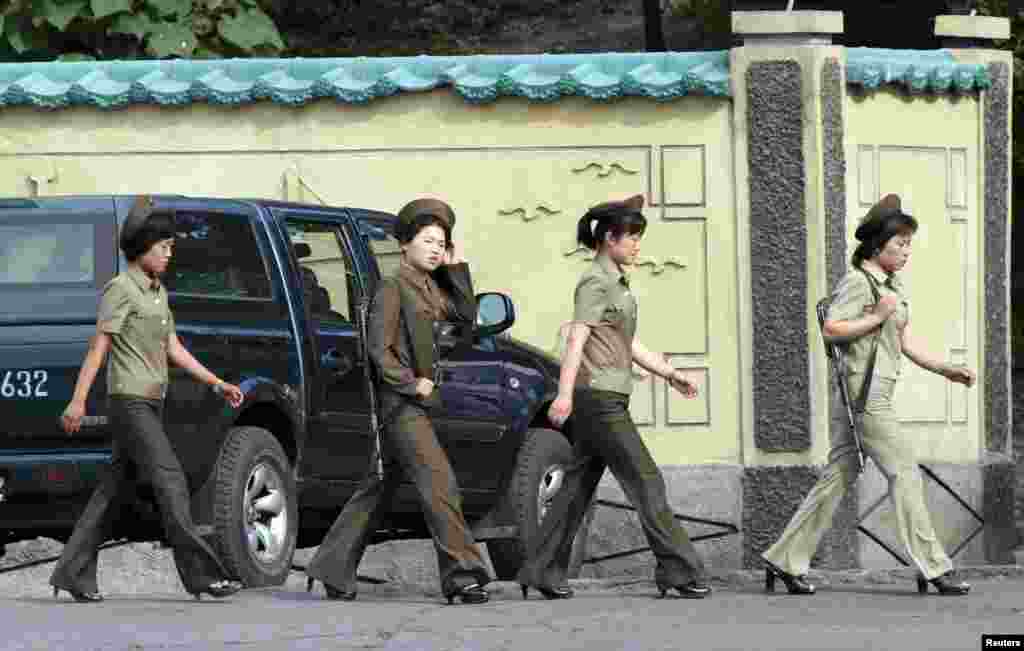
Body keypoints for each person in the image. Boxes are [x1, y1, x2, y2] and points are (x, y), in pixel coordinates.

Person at [760, 194, 976, 596]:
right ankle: (933, 567)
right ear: (878, 247)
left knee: (836, 477)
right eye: (900, 244)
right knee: (905, 472)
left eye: (909, 244)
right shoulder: (859, 283)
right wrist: (875, 315)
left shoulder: (889, 285)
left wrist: (945, 369)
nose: (907, 251)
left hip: (863, 396)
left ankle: (783, 558)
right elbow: (832, 329)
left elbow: (903, 340)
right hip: (866, 398)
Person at [51, 195, 246, 603]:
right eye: (164, 248)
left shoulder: (159, 293)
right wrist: (78, 401)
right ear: (143, 249)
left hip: (151, 402)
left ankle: (72, 573)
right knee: (170, 479)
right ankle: (204, 575)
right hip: (128, 402)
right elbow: (97, 349)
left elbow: (173, 347)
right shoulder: (121, 290)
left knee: (112, 491)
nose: (170, 254)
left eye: (171, 247)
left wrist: (215, 382)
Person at [516, 194, 711, 600]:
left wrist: (669, 373)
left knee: (575, 489)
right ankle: (678, 570)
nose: (638, 245)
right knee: (646, 479)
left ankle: (541, 570)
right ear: (609, 239)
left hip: (605, 398)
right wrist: (564, 395)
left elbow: (626, 341)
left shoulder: (614, 283)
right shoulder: (595, 281)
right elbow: (577, 339)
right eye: (632, 237)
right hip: (599, 400)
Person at [305, 198, 492, 605]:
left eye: (441, 243)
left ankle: (332, 570)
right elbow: (379, 350)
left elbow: (464, 316)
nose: (435, 248)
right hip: (402, 405)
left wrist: (456, 267)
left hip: (416, 405)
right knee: (439, 482)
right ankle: (463, 577)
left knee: (378, 488)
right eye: (427, 241)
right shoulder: (393, 286)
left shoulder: (429, 286)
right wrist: (412, 384)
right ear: (404, 244)